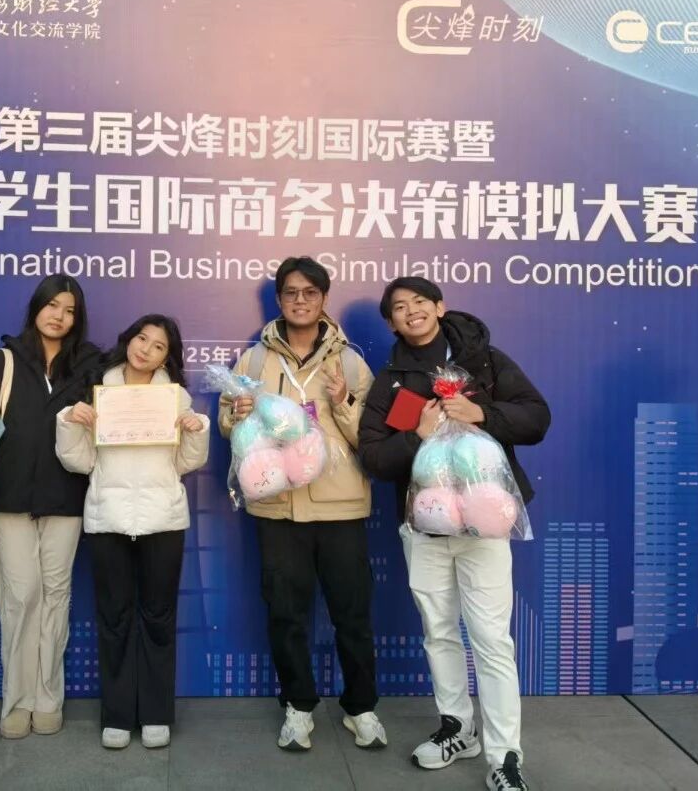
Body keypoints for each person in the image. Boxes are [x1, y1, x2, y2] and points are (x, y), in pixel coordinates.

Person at [358, 277, 549, 791]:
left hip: (485, 524)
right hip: (424, 526)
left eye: (420, 301)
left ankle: (505, 755)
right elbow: (373, 456)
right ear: (391, 322)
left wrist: (482, 413)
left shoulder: (484, 361)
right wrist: (416, 436)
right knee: (438, 631)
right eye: (399, 307)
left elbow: (536, 418)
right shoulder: (392, 381)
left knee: (491, 638)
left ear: (440, 307)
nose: (411, 311)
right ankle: (457, 728)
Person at [216, 255, 386, 752]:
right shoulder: (253, 361)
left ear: (323, 298)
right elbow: (228, 426)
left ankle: (361, 708)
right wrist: (236, 414)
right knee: (285, 613)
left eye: (310, 292)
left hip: (339, 507)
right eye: (291, 292)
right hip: (278, 505)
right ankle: (298, 706)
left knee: (352, 614)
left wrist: (343, 402)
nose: (300, 300)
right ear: (279, 299)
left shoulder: (350, 362)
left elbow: (368, 436)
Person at [0, 274, 101, 740]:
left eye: (70, 310)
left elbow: (119, 417)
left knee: (56, 597)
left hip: (66, 500)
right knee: (21, 598)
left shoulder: (90, 365)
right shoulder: (2, 361)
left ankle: (47, 698)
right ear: (36, 307)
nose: (59, 316)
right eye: (52, 305)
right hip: (9, 501)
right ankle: (16, 700)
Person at [56, 314, 210, 750]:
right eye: (142, 338)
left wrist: (195, 431)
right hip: (108, 518)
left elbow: (186, 463)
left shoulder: (175, 397)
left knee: (159, 618)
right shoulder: (98, 392)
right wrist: (70, 421)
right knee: (114, 618)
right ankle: (118, 715)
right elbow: (79, 461)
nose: (146, 349)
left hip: (163, 520)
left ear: (166, 358)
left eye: (159, 346)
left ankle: (157, 714)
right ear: (128, 340)